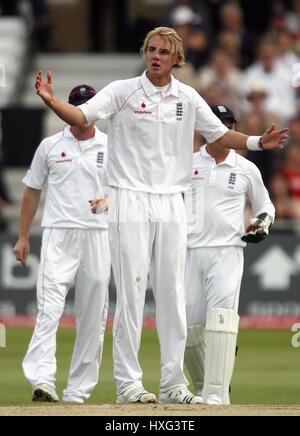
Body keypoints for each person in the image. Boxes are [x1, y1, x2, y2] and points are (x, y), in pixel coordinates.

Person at [34, 27, 287, 405]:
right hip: (129, 198)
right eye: (150, 49)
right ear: (144, 53)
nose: (155, 55)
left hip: (172, 201)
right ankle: (128, 384)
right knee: (133, 293)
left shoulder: (187, 96)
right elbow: (83, 115)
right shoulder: (123, 90)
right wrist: (52, 101)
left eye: (163, 51)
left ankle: (173, 383)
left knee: (172, 294)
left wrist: (255, 143)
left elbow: (218, 136)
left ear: (176, 58)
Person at [13, 85, 111, 404]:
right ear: (68, 109)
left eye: (89, 106)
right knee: (49, 309)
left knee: (92, 316)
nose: (84, 112)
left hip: (97, 235)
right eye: (78, 106)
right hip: (58, 235)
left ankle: (77, 392)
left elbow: (126, 188)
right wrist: (24, 236)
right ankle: (42, 380)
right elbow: (32, 190)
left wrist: (108, 201)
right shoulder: (50, 146)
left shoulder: (112, 147)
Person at [184, 105, 275, 405]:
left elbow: (265, 206)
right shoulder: (186, 163)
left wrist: (261, 222)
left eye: (229, 125)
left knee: (221, 320)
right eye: (218, 124)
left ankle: (217, 396)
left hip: (228, 251)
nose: (224, 130)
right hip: (189, 252)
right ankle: (204, 388)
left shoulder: (247, 168)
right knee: (189, 328)